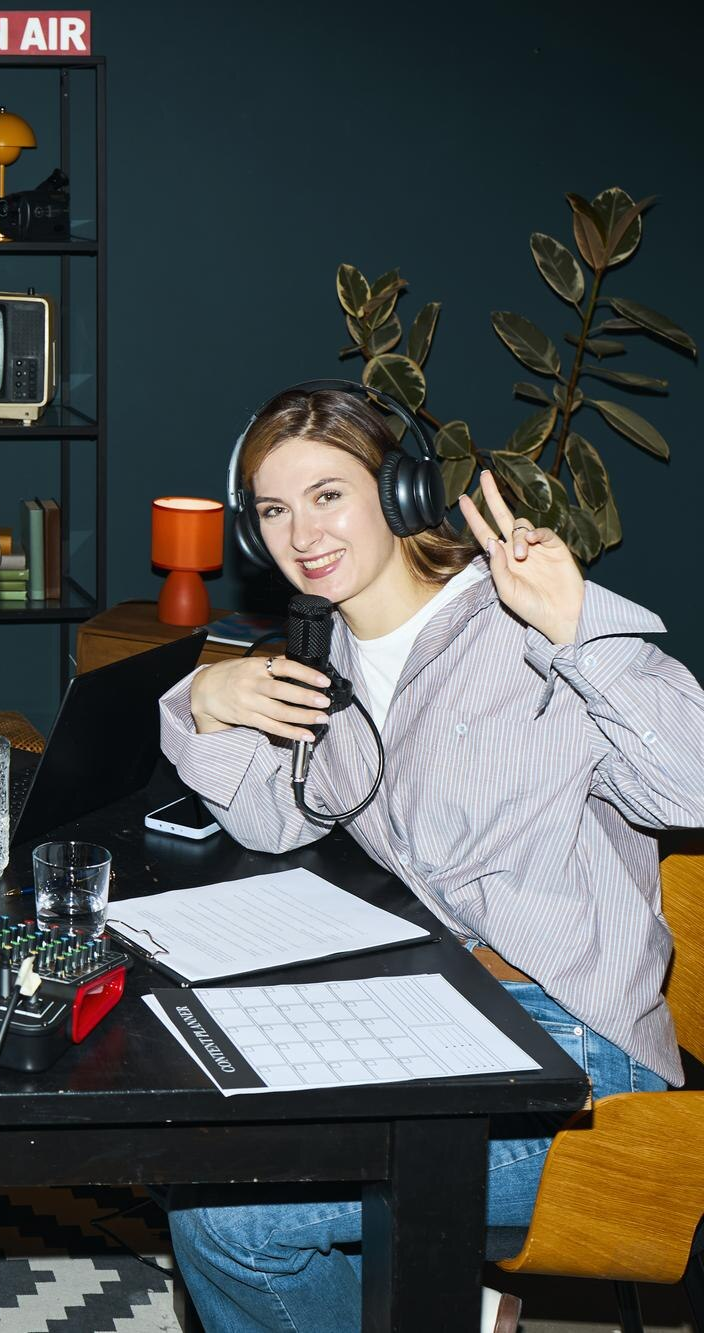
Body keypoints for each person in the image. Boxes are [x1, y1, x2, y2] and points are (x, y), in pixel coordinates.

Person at [156, 384, 704, 1332]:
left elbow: (692, 787)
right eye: (274, 510)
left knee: (232, 1216)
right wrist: (203, 705)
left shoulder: (518, 623)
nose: (301, 534)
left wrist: (578, 626)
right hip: (445, 1015)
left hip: (582, 1061)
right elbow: (275, 820)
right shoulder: (326, 656)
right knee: (206, 1129)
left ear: (400, 493)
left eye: (329, 495)